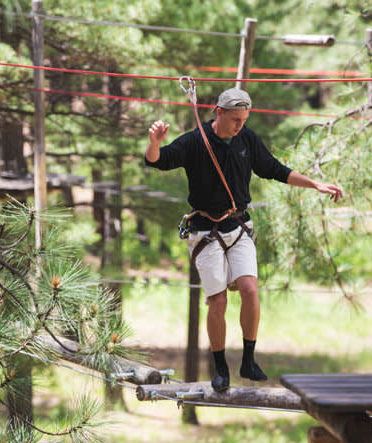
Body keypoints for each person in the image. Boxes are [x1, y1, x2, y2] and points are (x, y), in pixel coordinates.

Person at [144, 87, 343, 392]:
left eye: (244, 119)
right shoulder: (194, 141)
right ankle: (220, 367)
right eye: (235, 119)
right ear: (218, 112)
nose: (239, 125)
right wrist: (154, 143)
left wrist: (314, 184)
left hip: (238, 226)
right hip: (205, 231)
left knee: (250, 289)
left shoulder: (246, 139)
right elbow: (159, 161)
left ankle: (249, 359)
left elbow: (274, 169)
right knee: (218, 300)